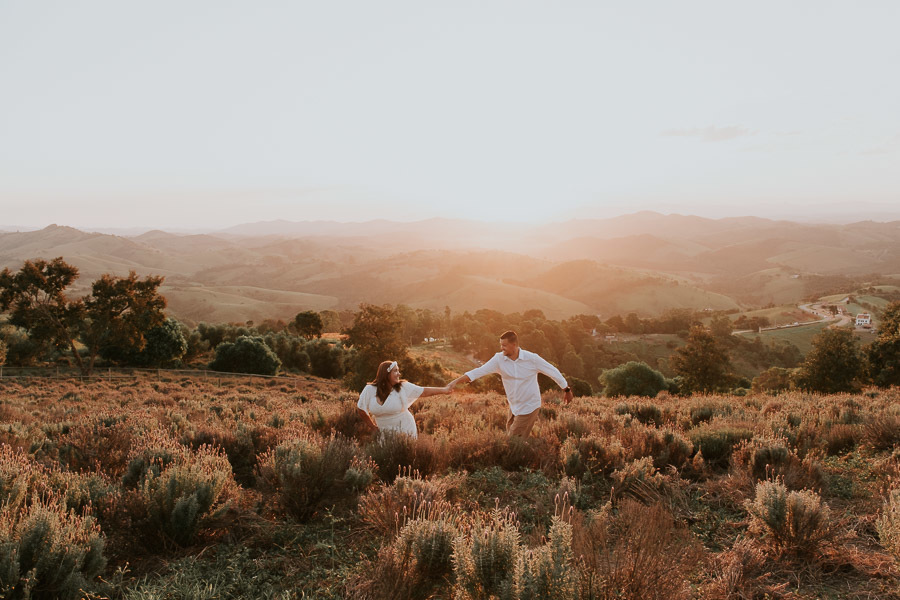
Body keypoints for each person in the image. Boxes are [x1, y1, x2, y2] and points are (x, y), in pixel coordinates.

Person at [449, 330, 572, 437]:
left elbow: (552, 371)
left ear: (514, 345)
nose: (502, 348)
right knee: (514, 437)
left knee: (512, 441)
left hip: (529, 406)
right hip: (514, 406)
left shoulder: (532, 359)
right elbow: (478, 372)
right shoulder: (499, 359)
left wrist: (566, 389)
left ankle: (518, 460)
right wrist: (455, 381)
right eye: (501, 345)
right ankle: (528, 454)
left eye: (504, 345)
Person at [356, 360, 452, 439]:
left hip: (405, 428)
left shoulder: (403, 387)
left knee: (404, 456)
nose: (399, 374)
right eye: (395, 371)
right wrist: (372, 427)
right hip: (383, 432)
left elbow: (423, 391)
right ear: (386, 374)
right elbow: (361, 409)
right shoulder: (370, 389)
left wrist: (444, 390)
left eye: (398, 371)